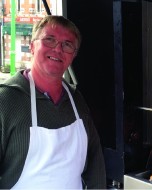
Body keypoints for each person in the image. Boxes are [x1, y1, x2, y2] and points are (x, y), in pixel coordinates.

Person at [0, 15, 106, 189]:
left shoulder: (76, 100)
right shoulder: (6, 101)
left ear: (73, 55)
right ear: (32, 46)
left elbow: (95, 161)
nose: (58, 49)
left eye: (67, 44)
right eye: (49, 39)